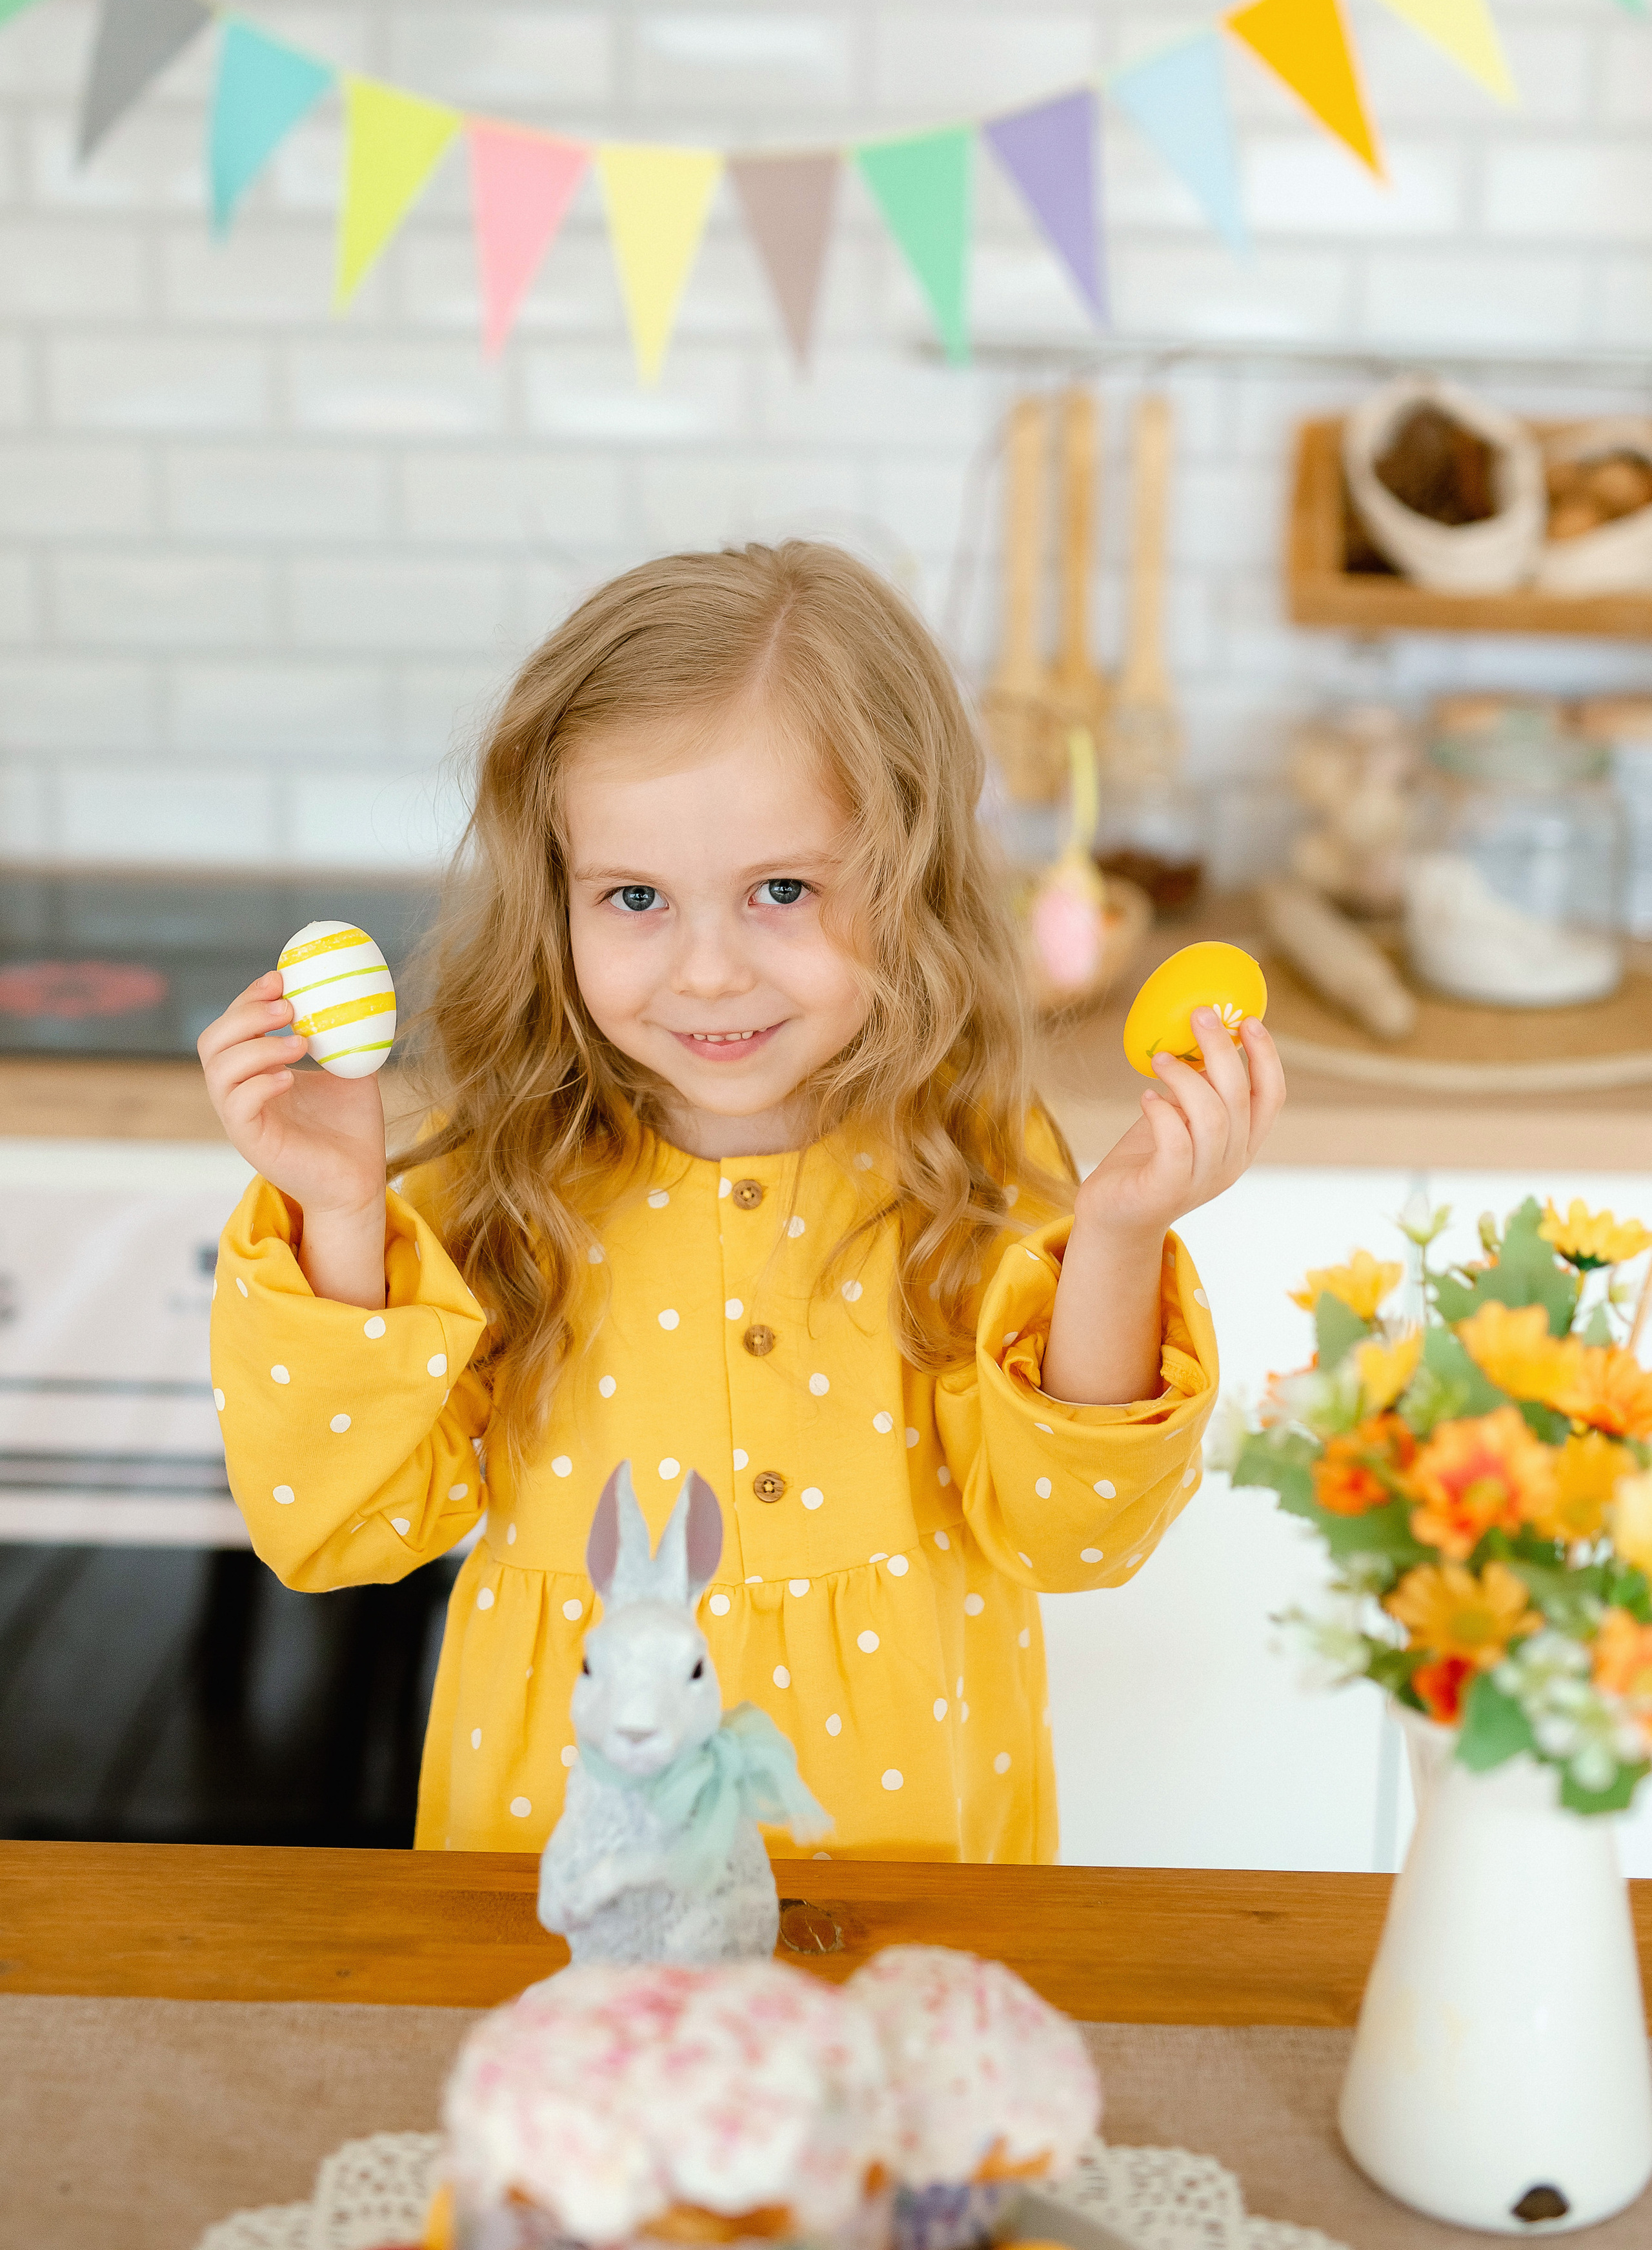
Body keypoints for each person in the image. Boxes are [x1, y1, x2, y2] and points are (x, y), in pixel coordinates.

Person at [200, 542, 1283, 1860]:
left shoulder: (966, 1157)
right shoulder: (512, 1167)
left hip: (897, 1868)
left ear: (908, 874)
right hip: (564, 1854)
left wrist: (1115, 1233)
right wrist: (338, 1205)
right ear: (556, 899)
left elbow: (1073, 1533)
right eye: (635, 897)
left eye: (782, 889)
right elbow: (339, 1528)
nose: (707, 971)